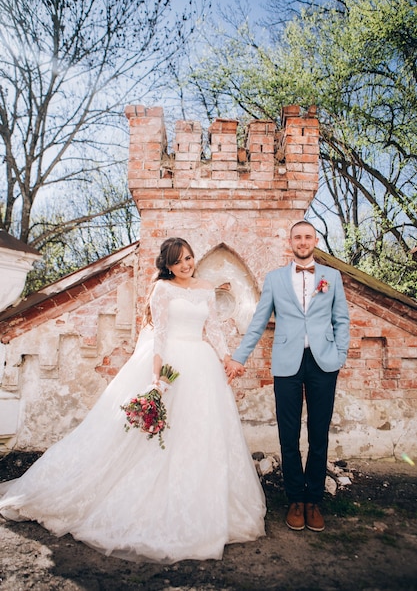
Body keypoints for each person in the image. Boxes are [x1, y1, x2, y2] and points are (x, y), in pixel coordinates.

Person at [0, 237, 266, 563]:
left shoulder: (206, 287)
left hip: (203, 366)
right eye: (179, 260)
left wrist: (226, 357)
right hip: (170, 363)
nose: (186, 264)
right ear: (168, 265)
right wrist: (156, 379)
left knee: (201, 434)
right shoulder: (162, 290)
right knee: (156, 438)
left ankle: (201, 502)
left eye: (189, 258)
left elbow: (212, 328)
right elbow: (160, 336)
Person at [226, 221, 350, 532]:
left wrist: (340, 356)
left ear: (315, 240)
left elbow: (341, 320)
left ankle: (314, 500)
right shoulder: (275, 279)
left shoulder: (332, 277)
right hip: (286, 363)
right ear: (290, 242)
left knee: (319, 433)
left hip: (323, 362)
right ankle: (295, 498)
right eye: (298, 237)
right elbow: (258, 321)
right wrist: (239, 357)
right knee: (288, 433)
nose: (303, 242)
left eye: (308, 237)